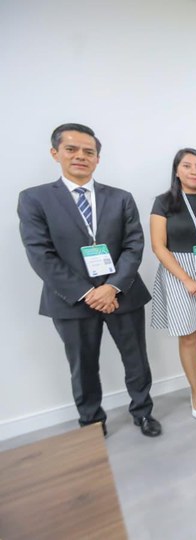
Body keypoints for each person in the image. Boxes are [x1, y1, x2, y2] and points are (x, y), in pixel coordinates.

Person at [17, 123, 161, 437]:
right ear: (55, 153)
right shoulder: (35, 199)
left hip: (122, 293)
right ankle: (91, 422)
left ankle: (143, 412)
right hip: (71, 300)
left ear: (97, 159)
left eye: (89, 151)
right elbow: (40, 253)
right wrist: (87, 292)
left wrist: (112, 286)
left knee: (136, 359)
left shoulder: (120, 198)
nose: (81, 156)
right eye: (72, 149)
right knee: (83, 367)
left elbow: (134, 245)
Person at [150, 148, 196, 420]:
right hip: (177, 272)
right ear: (177, 171)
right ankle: (195, 390)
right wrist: (187, 279)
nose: (194, 171)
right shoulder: (163, 202)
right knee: (189, 334)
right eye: (187, 166)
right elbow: (158, 246)